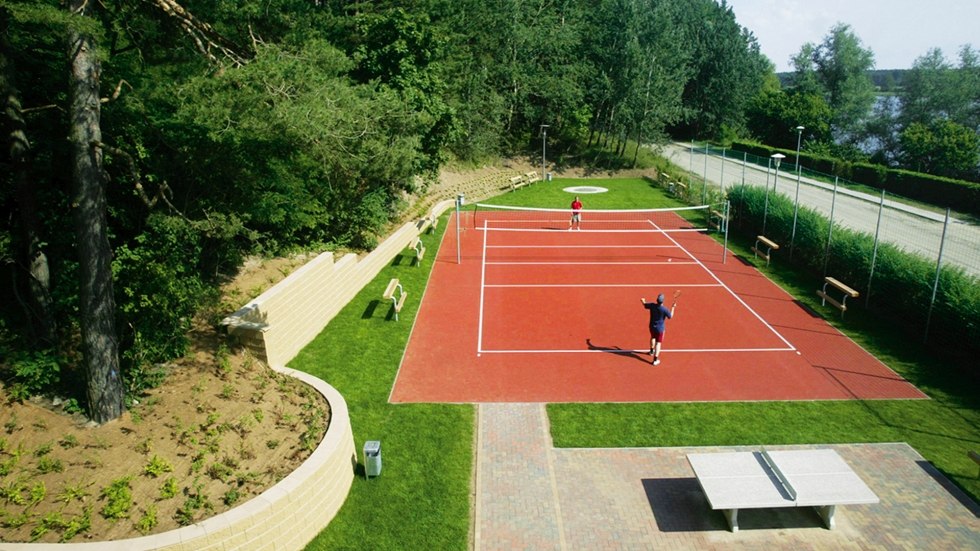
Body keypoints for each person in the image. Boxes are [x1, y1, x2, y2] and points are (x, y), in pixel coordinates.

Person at [640, 293, 675, 365]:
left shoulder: (652, 306)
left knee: (652, 337)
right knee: (658, 343)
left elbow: (645, 304)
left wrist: (643, 300)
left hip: (652, 326)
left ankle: (651, 351)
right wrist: (673, 307)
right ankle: (655, 360)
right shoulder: (664, 309)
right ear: (663, 301)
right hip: (660, 329)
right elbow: (670, 316)